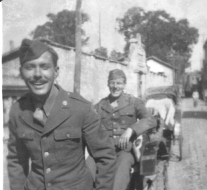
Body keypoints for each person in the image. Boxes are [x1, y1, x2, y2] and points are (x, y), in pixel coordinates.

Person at [7, 39, 116, 190]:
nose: (37, 74)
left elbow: (106, 157)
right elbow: (16, 161)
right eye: (30, 67)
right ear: (21, 72)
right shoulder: (18, 111)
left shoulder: (80, 108)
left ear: (56, 71)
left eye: (45, 67)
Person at [95, 69, 156, 190]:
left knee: (120, 176)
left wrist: (131, 130)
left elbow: (150, 120)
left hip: (124, 152)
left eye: (119, 83)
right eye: (112, 83)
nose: (115, 87)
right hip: (103, 152)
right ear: (108, 84)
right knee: (87, 171)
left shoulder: (133, 102)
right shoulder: (100, 106)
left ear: (124, 85)